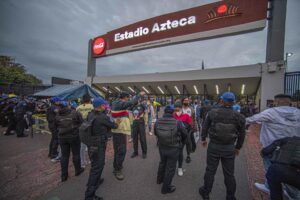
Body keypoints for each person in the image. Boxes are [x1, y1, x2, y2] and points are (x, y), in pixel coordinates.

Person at [246, 94, 300, 199]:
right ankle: (292, 194)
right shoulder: (298, 113)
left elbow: (250, 119)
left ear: (276, 102)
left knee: (270, 168)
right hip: (294, 149)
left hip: (273, 147)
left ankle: (271, 187)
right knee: (290, 169)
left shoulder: (271, 112)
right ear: (289, 102)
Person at [199, 92, 246, 200]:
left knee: (210, 170)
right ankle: (230, 196)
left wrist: (203, 139)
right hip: (229, 147)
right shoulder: (239, 116)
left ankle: (206, 192)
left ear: (222, 101)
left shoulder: (212, 113)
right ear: (233, 102)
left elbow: (205, 127)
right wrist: (238, 147)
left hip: (214, 146)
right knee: (229, 174)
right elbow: (242, 134)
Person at [85, 98, 118, 200]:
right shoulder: (103, 117)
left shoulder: (90, 114)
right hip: (99, 144)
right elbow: (114, 125)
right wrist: (117, 122)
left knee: (96, 164)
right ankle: (89, 195)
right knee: (97, 167)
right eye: (104, 105)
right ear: (100, 106)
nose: (105, 106)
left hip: (91, 143)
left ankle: (96, 180)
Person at [111, 91, 145, 180]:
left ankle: (116, 166)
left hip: (118, 130)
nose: (128, 99)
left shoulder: (117, 103)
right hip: (119, 131)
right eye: (128, 97)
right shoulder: (119, 103)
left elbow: (129, 106)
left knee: (117, 150)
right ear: (125, 97)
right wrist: (139, 95)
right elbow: (130, 103)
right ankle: (117, 170)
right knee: (121, 151)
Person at [155, 105, 188, 194]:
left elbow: (156, 133)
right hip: (174, 147)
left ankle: (159, 179)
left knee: (162, 162)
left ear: (164, 112)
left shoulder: (157, 121)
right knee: (170, 168)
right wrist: (181, 143)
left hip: (162, 146)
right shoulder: (178, 122)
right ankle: (165, 188)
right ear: (173, 112)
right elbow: (185, 134)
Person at [55, 101, 84, 182]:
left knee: (64, 156)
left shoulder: (57, 115)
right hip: (74, 136)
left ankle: (64, 175)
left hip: (62, 137)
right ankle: (78, 170)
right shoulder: (75, 113)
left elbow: (55, 125)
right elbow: (81, 123)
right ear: (68, 106)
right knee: (76, 154)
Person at [174, 102, 193, 176]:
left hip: (182, 139)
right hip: (174, 138)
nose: (177, 111)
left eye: (178, 109)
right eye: (176, 110)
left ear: (181, 108)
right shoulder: (173, 116)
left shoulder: (186, 116)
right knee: (174, 153)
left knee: (180, 152)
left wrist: (187, 132)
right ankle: (173, 167)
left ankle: (180, 168)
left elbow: (191, 125)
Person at [76, 94, 94, 168]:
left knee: (82, 146)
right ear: (90, 100)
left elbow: (76, 117)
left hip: (81, 127)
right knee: (90, 145)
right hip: (90, 127)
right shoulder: (92, 106)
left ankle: (82, 162)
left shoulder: (78, 108)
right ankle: (91, 160)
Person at [47, 97, 61, 161]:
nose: (59, 102)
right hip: (54, 125)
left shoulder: (51, 106)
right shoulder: (54, 107)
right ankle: (53, 154)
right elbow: (59, 114)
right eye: (58, 101)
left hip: (51, 124)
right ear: (56, 101)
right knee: (56, 140)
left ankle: (51, 153)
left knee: (53, 139)